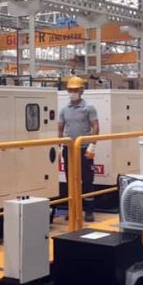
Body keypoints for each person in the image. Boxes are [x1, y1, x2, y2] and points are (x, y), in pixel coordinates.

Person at [58, 76, 100, 223]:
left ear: (81, 91)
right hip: (69, 149)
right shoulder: (64, 109)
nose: (72, 93)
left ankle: (89, 211)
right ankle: (74, 209)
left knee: (87, 180)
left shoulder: (89, 107)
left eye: (75, 90)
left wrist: (92, 145)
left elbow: (95, 126)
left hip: (84, 149)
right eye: (70, 90)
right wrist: (59, 145)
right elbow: (60, 128)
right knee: (71, 180)